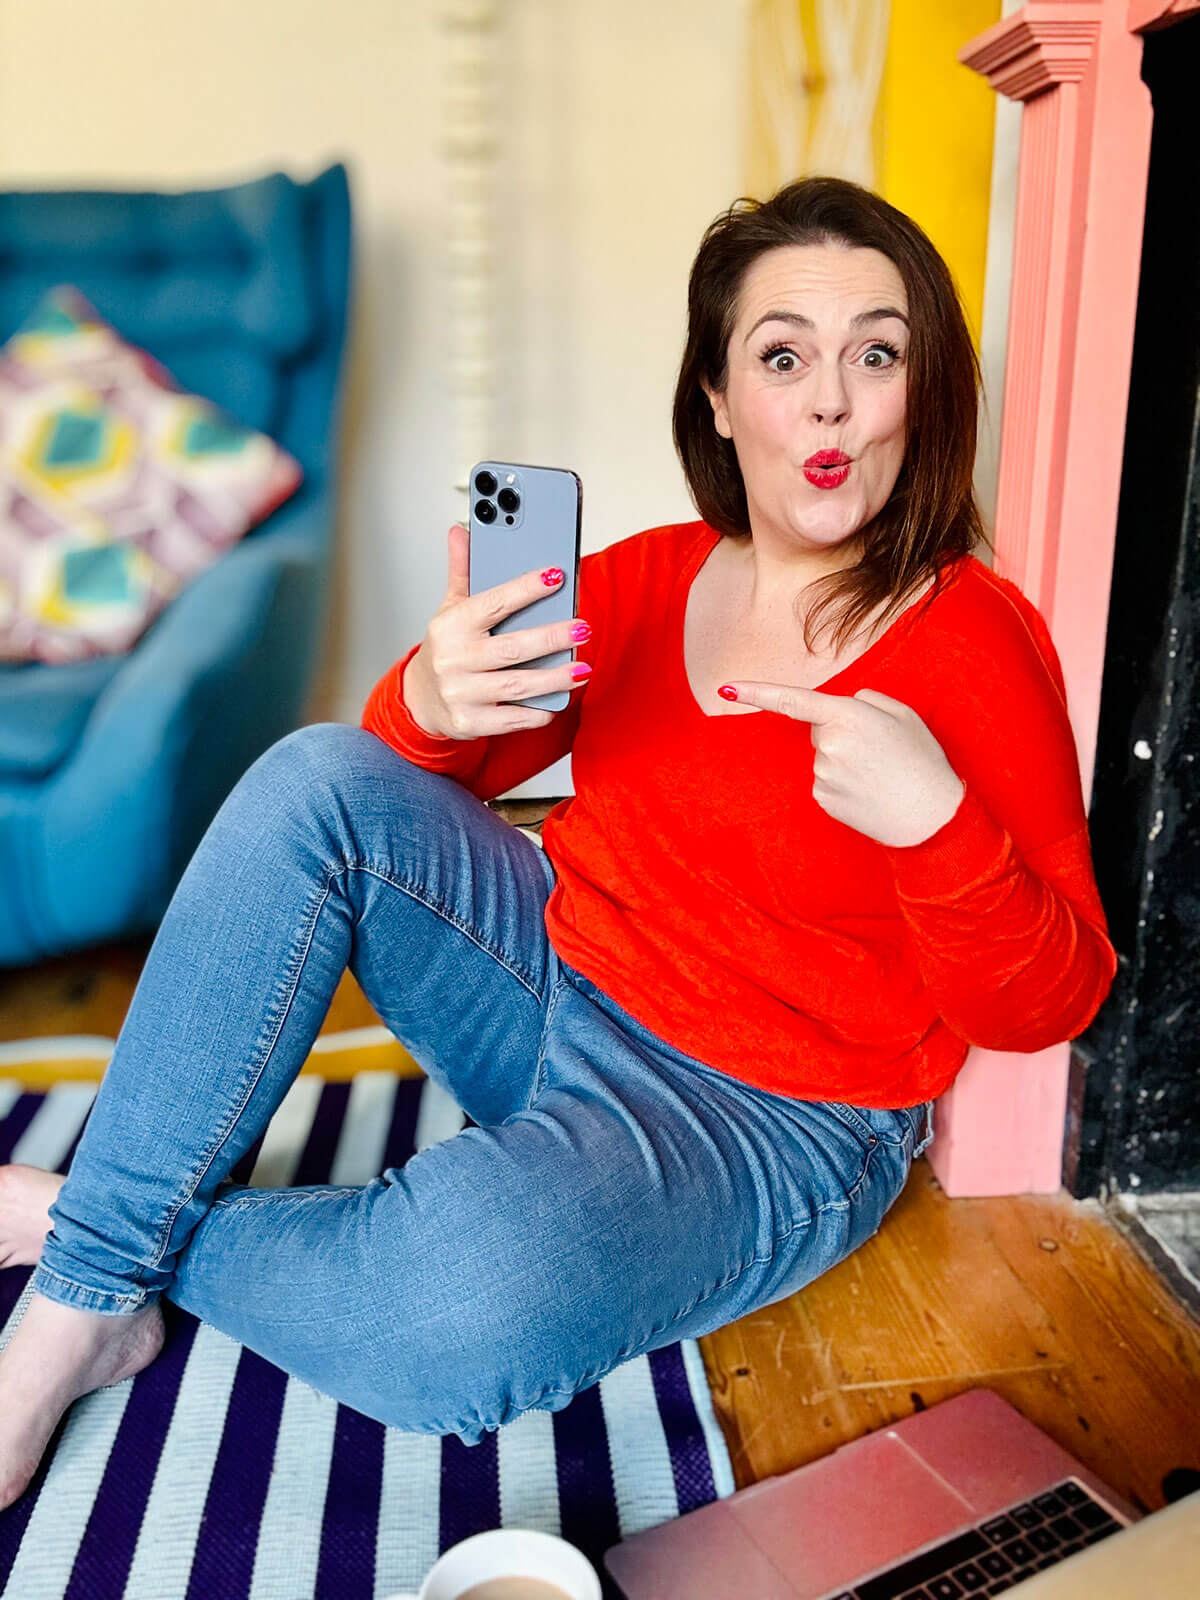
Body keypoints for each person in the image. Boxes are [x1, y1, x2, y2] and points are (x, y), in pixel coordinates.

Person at [0, 176, 1117, 1510]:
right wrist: (429, 701)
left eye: (877, 354)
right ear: (718, 397)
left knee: (456, 1316)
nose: (830, 401)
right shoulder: (646, 579)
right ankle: (77, 1311)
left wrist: (939, 823)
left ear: (921, 396)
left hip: (767, 1120)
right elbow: (375, 798)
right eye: (783, 356)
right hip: (548, 982)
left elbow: (1055, 995)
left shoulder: (981, 642)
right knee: (316, 772)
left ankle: (90, 1227)